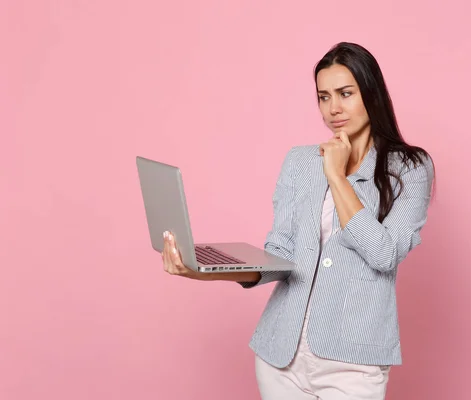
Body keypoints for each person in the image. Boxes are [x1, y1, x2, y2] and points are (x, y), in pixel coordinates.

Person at [161, 42, 435, 400]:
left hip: (353, 363)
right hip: (280, 356)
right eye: (323, 97)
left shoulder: (410, 168)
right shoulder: (300, 161)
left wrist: (337, 177)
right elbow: (279, 258)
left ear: (372, 93)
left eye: (345, 94)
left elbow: (384, 254)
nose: (333, 108)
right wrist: (202, 270)